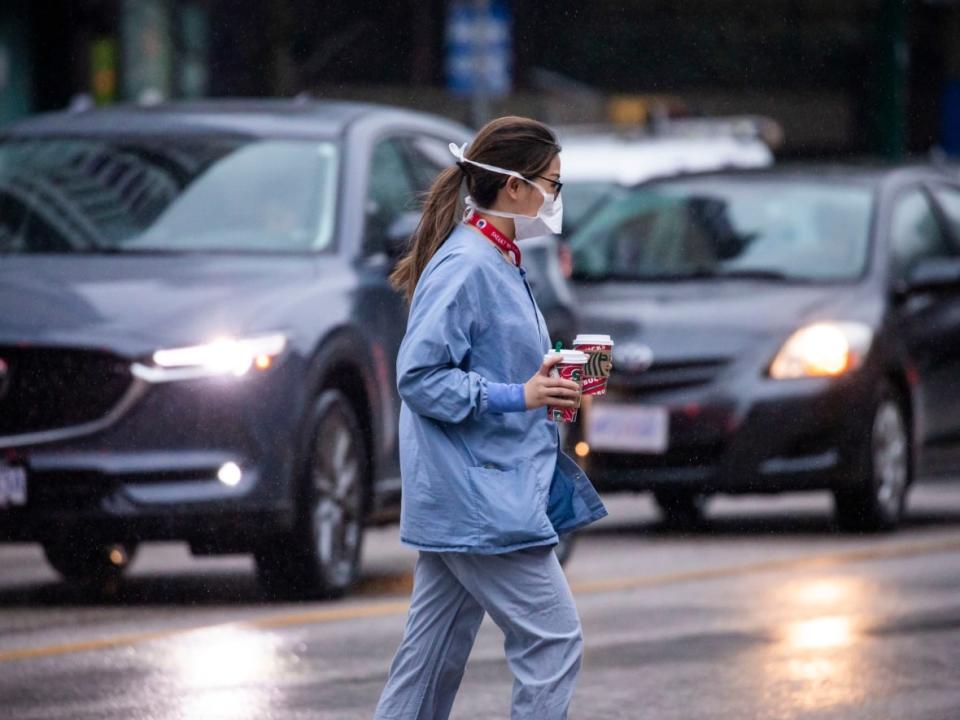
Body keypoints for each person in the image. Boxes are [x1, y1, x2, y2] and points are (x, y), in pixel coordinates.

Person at [373, 116, 608, 720]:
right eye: (550, 184)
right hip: (482, 497)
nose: (554, 197)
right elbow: (420, 378)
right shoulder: (469, 265)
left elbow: (489, 362)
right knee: (553, 641)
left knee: (428, 662)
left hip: (471, 493)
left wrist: (549, 376)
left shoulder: (495, 257)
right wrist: (521, 395)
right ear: (513, 187)